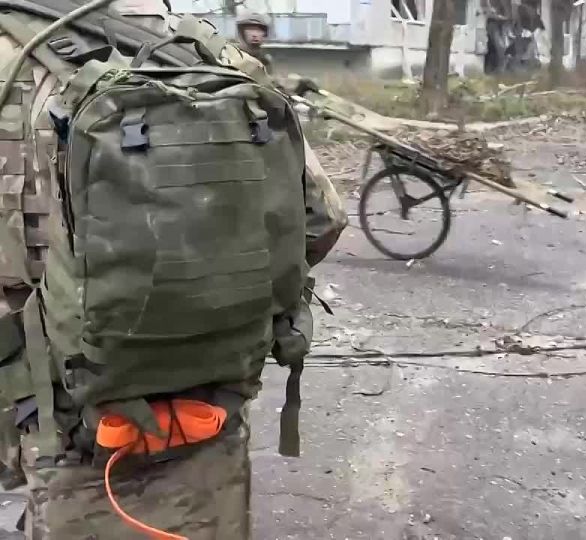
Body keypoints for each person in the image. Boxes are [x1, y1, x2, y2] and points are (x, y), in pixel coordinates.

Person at [0, 0, 346, 538]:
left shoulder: (9, 58)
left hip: (60, 412)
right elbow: (322, 220)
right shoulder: (212, 54)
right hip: (209, 403)